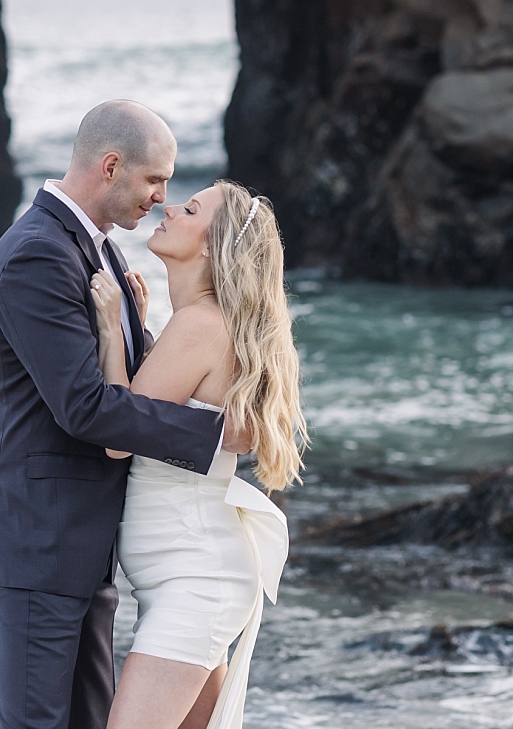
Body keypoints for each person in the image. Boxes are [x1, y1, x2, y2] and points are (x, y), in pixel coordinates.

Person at [0, 100, 247, 729]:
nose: (161, 197)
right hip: (41, 538)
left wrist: (136, 331)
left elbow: (133, 387)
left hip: (83, 545)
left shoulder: (103, 254)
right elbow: (84, 408)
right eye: (155, 180)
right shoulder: (39, 255)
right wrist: (219, 434)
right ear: (111, 166)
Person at [89, 179, 305, 729]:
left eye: (189, 209)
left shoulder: (201, 326)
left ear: (212, 246)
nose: (167, 206)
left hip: (195, 580)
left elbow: (119, 435)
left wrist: (114, 334)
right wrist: (136, 329)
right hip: (189, 577)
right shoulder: (202, 326)